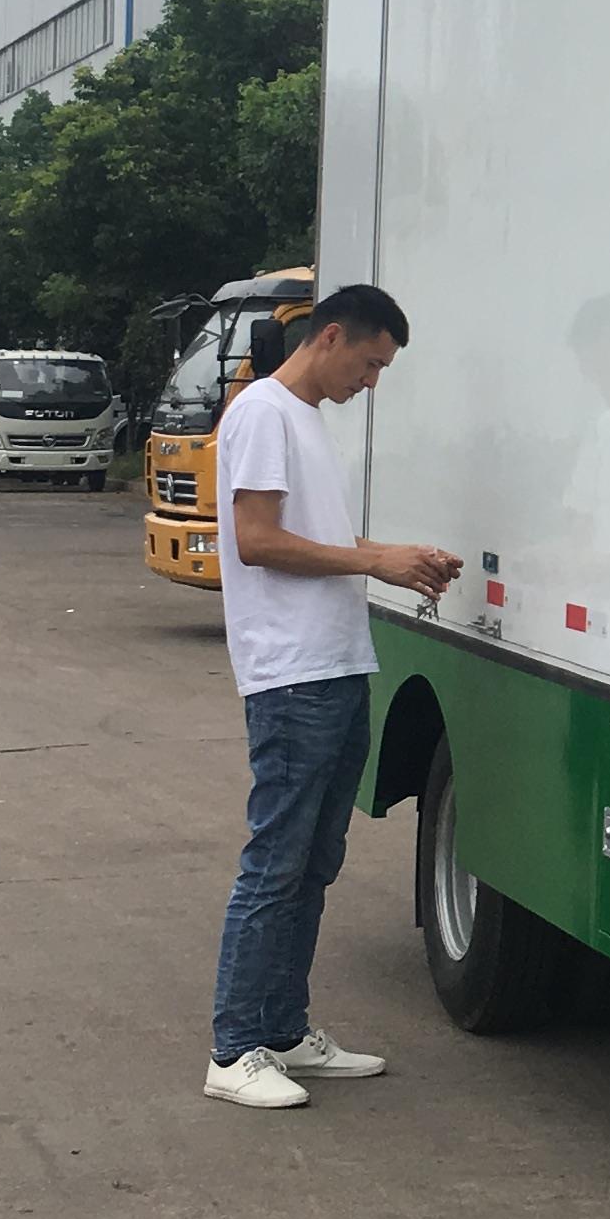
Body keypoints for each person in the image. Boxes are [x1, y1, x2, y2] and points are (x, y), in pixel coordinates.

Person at [203, 283, 460, 1109]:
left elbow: (309, 537)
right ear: (334, 335)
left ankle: (283, 1033)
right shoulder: (263, 415)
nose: (372, 383)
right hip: (291, 674)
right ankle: (234, 1048)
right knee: (276, 863)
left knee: (315, 861)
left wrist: (396, 555)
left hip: (335, 664)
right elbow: (256, 542)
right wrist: (372, 564)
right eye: (372, 363)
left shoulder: (304, 420)